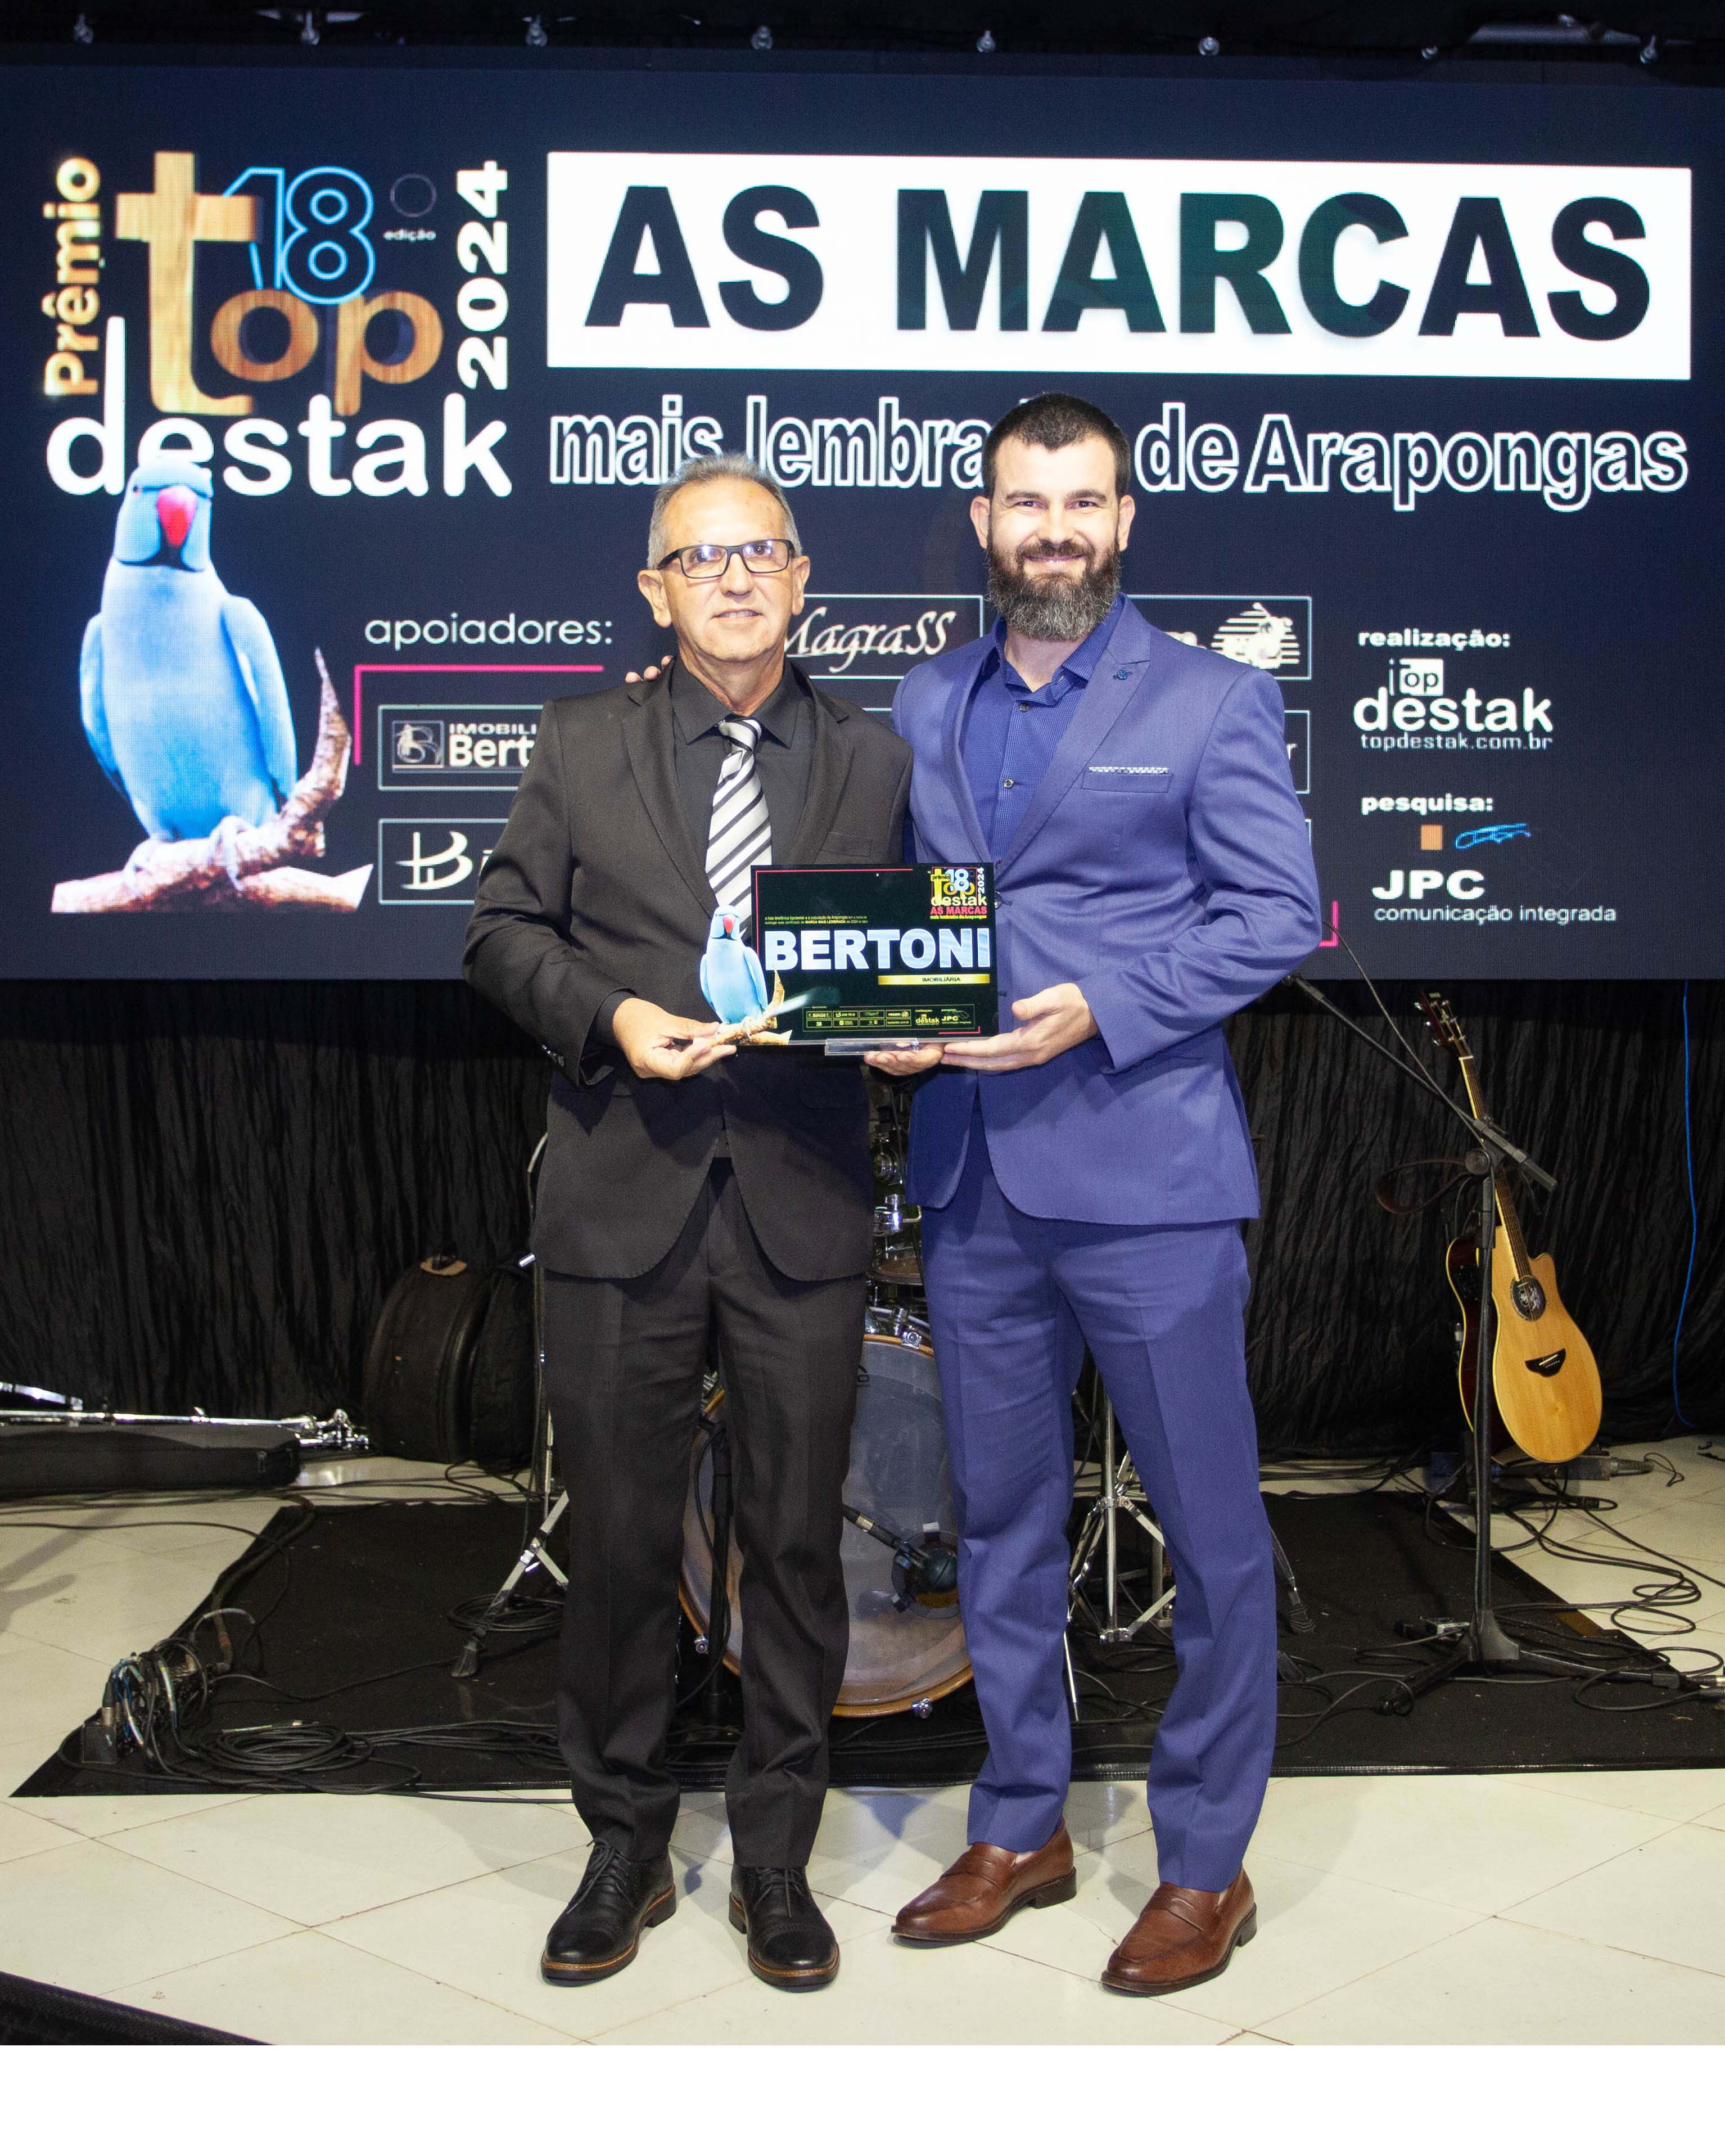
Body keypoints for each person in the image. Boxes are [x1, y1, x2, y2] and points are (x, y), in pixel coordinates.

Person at [866, 393, 1320, 1997]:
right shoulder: (926, 698)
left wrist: (1105, 1006)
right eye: (1024, 503)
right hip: (974, 1180)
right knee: (997, 1524)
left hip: (1150, 1179)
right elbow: (910, 914)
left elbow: (1275, 914)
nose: (1052, 531)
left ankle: (1204, 1862)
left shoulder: (1210, 698)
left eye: (1081, 503)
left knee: (1211, 1534)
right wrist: (888, 1019)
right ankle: (1020, 1824)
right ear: (982, 524)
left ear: (1122, 521)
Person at [464, 453, 911, 1993]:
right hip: (622, 1203)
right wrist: (609, 1016)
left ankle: (777, 1855)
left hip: (801, 1204)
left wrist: (912, 1024)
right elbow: (499, 931)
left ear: (801, 579)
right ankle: (624, 1841)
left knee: (793, 1545)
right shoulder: (580, 741)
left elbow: (917, 949)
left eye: (759, 551)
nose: (732, 577)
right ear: (655, 590)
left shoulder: (873, 757)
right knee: (618, 1545)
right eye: (699, 557)